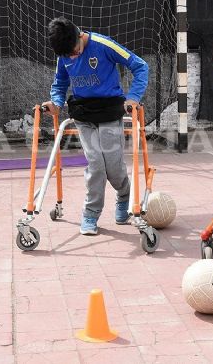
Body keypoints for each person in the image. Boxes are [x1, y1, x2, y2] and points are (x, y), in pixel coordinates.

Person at [42, 17, 149, 235]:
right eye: (68, 55)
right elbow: (60, 84)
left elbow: (140, 66)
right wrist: (55, 103)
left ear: (79, 35)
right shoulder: (64, 55)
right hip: (84, 115)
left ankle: (124, 196)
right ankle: (90, 214)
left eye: (74, 51)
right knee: (96, 165)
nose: (73, 57)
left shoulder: (103, 45)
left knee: (113, 166)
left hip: (110, 111)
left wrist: (133, 97)